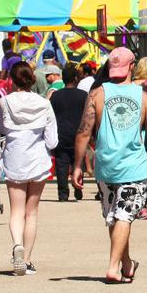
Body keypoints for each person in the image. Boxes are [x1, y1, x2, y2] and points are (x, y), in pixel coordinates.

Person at [73, 46, 147, 283]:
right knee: (123, 216)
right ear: (132, 67)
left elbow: (83, 132)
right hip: (134, 166)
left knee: (116, 215)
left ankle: (126, 263)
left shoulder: (96, 95)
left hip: (105, 166)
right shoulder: (144, 98)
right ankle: (112, 267)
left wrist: (77, 166)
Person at [0, 61, 58, 275]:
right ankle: (28, 259)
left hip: (14, 157)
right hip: (38, 159)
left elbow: (1, 126)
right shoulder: (44, 103)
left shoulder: (5, 102)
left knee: (16, 210)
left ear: (12, 80)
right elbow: (52, 140)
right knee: (32, 213)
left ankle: (17, 244)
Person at [50, 63, 89, 202]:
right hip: (78, 134)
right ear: (76, 78)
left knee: (61, 164)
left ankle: (63, 193)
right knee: (78, 161)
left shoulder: (55, 96)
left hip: (61, 133)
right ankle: (78, 187)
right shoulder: (83, 95)